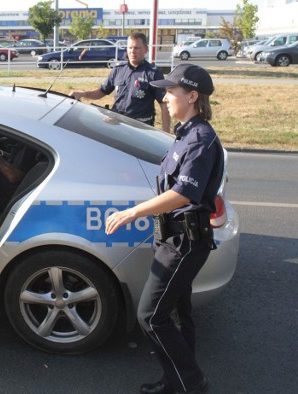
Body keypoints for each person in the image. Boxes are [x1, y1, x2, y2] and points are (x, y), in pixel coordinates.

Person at [105, 64, 223, 394]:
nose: (166, 97)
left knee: (151, 316)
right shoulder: (184, 134)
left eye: (171, 91)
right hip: (171, 236)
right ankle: (177, 380)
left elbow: (184, 192)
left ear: (193, 96)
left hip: (185, 242)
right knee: (178, 316)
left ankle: (192, 382)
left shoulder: (200, 140)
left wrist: (132, 213)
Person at [69, 32, 171, 132]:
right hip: (117, 126)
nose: (132, 51)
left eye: (136, 48)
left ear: (146, 49)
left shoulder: (153, 74)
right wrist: (82, 94)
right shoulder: (118, 70)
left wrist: (166, 134)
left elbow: (164, 104)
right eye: (130, 48)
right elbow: (101, 92)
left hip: (140, 129)